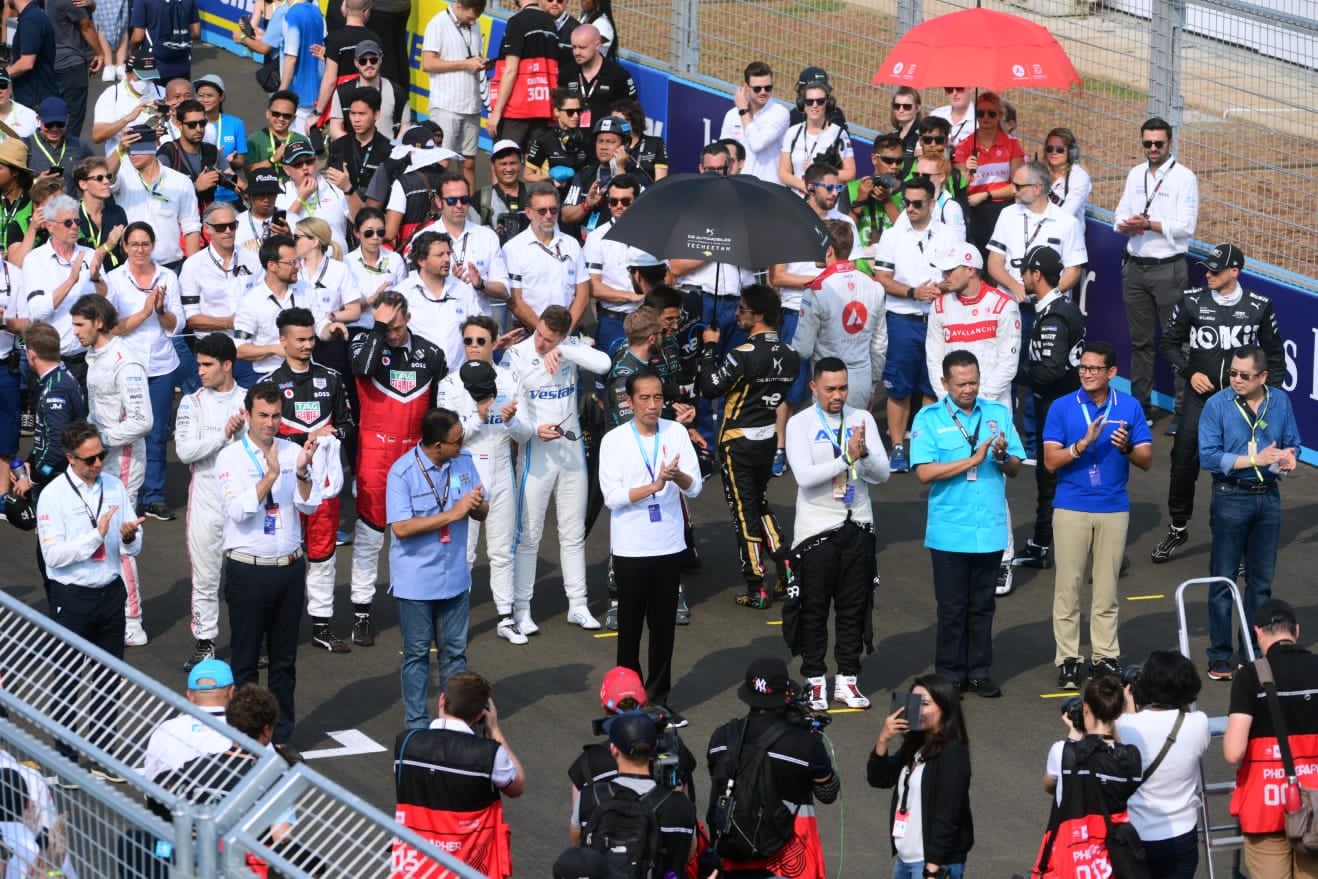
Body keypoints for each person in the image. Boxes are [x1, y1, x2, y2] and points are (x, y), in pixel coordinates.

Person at [1153, 244, 1286, 566]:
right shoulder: (1192, 301)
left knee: (1235, 471)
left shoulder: (1259, 306)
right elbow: (1169, 343)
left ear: (1234, 272)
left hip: (1240, 404)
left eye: (1215, 270)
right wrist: (1189, 372)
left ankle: (1234, 541)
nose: (1208, 275)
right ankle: (1178, 525)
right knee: (1183, 460)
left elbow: (1275, 356)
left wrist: (1266, 400)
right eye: (1206, 270)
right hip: (1201, 401)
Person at [911, 350, 1023, 697]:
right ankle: (949, 673)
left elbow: (1016, 465)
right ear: (945, 383)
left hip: (988, 529)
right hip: (949, 530)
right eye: (961, 384)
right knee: (952, 607)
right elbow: (924, 472)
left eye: (973, 382)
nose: (969, 389)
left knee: (983, 606)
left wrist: (1002, 457)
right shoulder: (928, 418)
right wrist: (971, 460)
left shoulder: (997, 414)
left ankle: (979, 671)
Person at [215, 383, 322, 744]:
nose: (270, 423)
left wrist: (303, 473)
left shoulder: (293, 452)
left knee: (284, 663)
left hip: (289, 568)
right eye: (263, 415)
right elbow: (238, 510)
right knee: (245, 661)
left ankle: (281, 736)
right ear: (247, 414)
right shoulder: (230, 458)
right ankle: (244, 739)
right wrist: (272, 475)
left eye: (276, 416)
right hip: (248, 569)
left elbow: (310, 505)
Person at [1042, 341, 1152, 689]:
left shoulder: (1130, 407)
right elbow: (1049, 461)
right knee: (1068, 588)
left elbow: (1146, 459)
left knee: (1107, 590)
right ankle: (1069, 659)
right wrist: (1081, 445)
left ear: (1111, 373)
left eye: (1094, 369)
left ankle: (1104, 656)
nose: (1087, 374)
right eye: (1083, 368)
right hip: (1071, 505)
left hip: (1113, 507)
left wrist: (1127, 448)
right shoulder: (1062, 407)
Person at [36, 420, 145, 771]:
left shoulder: (114, 487)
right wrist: (96, 537)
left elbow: (134, 546)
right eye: (90, 459)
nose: (99, 464)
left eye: (102, 455)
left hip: (110, 592)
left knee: (107, 679)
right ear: (71, 458)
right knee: (67, 679)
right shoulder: (53, 495)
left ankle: (102, 757)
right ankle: (65, 761)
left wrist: (127, 536)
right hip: (71, 596)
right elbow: (54, 556)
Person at [785, 358, 889, 710]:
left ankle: (847, 679)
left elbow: (882, 474)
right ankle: (814, 680)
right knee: (813, 609)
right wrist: (848, 456)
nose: (838, 395)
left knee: (854, 608)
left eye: (843, 388)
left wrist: (866, 453)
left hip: (858, 524)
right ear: (813, 387)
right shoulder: (800, 423)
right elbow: (804, 476)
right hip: (817, 530)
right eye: (830, 389)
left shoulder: (862, 419)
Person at [502, 304, 611, 632]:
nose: (541, 343)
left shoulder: (568, 347)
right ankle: (521, 609)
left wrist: (565, 351)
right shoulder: (518, 354)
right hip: (537, 451)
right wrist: (535, 431)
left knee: (573, 532)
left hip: (571, 449)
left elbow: (604, 364)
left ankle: (577, 605)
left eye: (549, 340)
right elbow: (512, 417)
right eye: (540, 335)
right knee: (529, 535)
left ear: (563, 335)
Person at [349, 291, 447, 647]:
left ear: (407, 316)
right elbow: (362, 368)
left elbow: (440, 404)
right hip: (375, 451)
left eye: (395, 324)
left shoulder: (431, 353)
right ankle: (361, 610)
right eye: (384, 325)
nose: (390, 332)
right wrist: (376, 326)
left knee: (418, 535)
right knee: (371, 535)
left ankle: (420, 608)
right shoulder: (364, 341)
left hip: (416, 455)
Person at [599, 370, 701, 710]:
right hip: (631, 548)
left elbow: (696, 486)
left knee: (664, 630)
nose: (653, 405)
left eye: (658, 397)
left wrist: (677, 477)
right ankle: (627, 699)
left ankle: (659, 700)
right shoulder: (614, 440)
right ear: (629, 402)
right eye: (644, 398)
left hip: (669, 545)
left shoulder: (676, 433)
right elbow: (612, 496)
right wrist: (654, 487)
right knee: (629, 630)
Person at [1199, 345, 1300, 681]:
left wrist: (1288, 459)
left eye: (1244, 375)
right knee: (1223, 581)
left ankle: (1254, 653)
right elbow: (1210, 457)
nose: (1236, 380)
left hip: (1268, 498)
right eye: (1232, 374)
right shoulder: (1217, 405)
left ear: (1263, 377)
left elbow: (1292, 443)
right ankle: (1219, 655)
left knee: (1260, 584)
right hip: (1231, 496)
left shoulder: (1280, 402)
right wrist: (1253, 460)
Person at [256, 308, 354, 653]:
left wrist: (328, 435)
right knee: (279, 556)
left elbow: (346, 424)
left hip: (322, 484)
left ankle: (321, 625)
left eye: (312, 338)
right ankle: (273, 632)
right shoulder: (267, 385)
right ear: (283, 341)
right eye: (301, 340)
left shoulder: (332, 378)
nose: (309, 345)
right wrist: (305, 438)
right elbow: (261, 434)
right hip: (282, 486)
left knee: (323, 555)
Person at [924, 245, 1021, 593]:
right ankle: (961, 554)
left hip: (993, 409)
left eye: (950, 270)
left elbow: (1008, 364)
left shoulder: (1003, 305)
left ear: (971, 269)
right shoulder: (938, 306)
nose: (944, 276)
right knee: (954, 482)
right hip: (953, 410)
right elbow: (934, 359)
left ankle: (1004, 560)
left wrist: (979, 403)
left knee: (993, 485)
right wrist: (949, 402)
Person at [386, 409, 488, 728]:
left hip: (455, 577)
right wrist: (453, 514)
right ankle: (417, 722)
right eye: (456, 440)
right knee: (417, 654)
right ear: (436, 445)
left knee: (455, 653)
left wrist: (479, 505)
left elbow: (480, 511)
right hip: (416, 582)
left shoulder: (462, 462)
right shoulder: (402, 473)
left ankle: (455, 720)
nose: (462, 444)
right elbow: (400, 527)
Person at [700, 284, 798, 608]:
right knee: (760, 504)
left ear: (757, 316)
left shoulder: (741, 354)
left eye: (741, 309)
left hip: (737, 441)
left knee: (744, 511)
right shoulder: (791, 354)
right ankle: (786, 569)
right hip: (767, 439)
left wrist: (710, 348)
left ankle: (757, 585)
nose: (736, 314)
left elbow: (710, 388)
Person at [706, 656, 839, 879]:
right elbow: (828, 793)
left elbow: (716, 774)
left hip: (732, 855)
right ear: (785, 697)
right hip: (787, 860)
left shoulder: (721, 737)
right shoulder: (805, 743)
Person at [434, 319, 524, 644]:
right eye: (468, 340)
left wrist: (514, 423)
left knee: (502, 549)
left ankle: (505, 616)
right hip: (465, 470)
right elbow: (445, 435)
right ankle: (454, 620)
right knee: (463, 551)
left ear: (493, 343)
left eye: (481, 340)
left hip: (501, 468)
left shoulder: (510, 379)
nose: (473, 345)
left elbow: (522, 430)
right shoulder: (449, 383)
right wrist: (478, 418)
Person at [73, 293, 152, 646]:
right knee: (99, 534)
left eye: (79, 325)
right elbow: (96, 413)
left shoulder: (125, 362)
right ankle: (110, 613)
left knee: (121, 539)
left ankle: (132, 621)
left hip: (122, 460)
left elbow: (143, 420)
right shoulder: (94, 358)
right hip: (99, 458)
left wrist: (100, 441)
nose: (74, 332)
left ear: (98, 323)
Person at [393, 671, 523, 877]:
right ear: (481, 714)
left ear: (442, 700)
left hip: (414, 867)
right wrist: (495, 730)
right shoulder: (488, 753)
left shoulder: (405, 743)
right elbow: (516, 786)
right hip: (467, 868)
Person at [1113, 116, 1199, 426]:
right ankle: (1141, 407)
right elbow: (1119, 213)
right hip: (1135, 267)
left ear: (1170, 143)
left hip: (1168, 269)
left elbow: (1186, 227)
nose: (1152, 148)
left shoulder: (1184, 178)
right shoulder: (1136, 174)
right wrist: (1127, 225)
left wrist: (1149, 224)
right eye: (1147, 143)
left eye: (1158, 144)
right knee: (1140, 343)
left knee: (1177, 342)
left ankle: (1182, 411)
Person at [1223, 599, 1318, 878]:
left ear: (1258, 633)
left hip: (1265, 806)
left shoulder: (1250, 677)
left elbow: (1233, 751)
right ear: (1296, 631)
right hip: (1315, 807)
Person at [873, 176, 961, 473]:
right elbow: (883, 279)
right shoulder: (892, 235)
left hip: (938, 319)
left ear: (932, 203)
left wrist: (942, 288)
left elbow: (960, 275)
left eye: (916, 203)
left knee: (932, 384)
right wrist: (913, 292)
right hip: (902, 319)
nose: (909, 208)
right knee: (898, 387)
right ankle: (897, 446)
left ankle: (923, 445)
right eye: (905, 203)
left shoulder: (950, 235)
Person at [174, 333, 246, 669]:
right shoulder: (191, 402)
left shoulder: (249, 401)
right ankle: (205, 642)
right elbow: (185, 451)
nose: (200, 371)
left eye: (207, 364)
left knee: (245, 577)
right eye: (198, 364)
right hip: (204, 496)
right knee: (205, 575)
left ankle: (250, 637)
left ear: (227, 365)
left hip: (244, 498)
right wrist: (223, 436)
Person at [103, 222, 183, 522]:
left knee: (158, 433)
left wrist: (160, 311)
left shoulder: (168, 277)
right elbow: (113, 327)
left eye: (145, 244)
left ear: (153, 245)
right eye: (133, 244)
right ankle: (124, 493)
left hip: (162, 364)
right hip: (126, 367)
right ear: (124, 247)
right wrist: (145, 312)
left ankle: (153, 495)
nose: (139, 250)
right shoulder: (114, 279)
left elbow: (178, 325)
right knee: (125, 431)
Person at [1016, 245, 1086, 571]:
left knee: (1051, 478)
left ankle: (1043, 545)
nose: (1021, 275)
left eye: (1025, 270)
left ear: (1037, 274)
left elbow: (1050, 369)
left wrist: (1017, 375)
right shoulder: (1063, 308)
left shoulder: (1054, 316)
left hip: (1056, 408)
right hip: (1070, 406)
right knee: (1068, 477)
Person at [1034, 676, 1143, 879]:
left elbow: (1051, 786)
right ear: (1118, 713)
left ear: (1085, 709)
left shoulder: (1063, 752)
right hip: (1111, 857)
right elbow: (1114, 747)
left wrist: (1075, 731)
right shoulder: (1131, 757)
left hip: (1073, 856)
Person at [1115, 650, 1211, 879]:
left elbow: (1121, 746)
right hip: (1182, 835)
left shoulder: (1124, 725)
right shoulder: (1199, 723)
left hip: (1137, 835)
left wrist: (1129, 708)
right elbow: (1183, 717)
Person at [868, 673, 974, 878]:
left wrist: (932, 868)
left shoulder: (952, 752)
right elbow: (879, 779)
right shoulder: (915, 744)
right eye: (914, 702)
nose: (917, 709)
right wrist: (883, 739)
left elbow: (949, 812)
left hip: (931, 864)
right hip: (905, 860)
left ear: (945, 707)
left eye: (925, 703)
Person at [572, 710, 699, 874]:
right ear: (654, 747)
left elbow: (578, 842)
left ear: (613, 749)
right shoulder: (680, 804)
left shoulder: (589, 796)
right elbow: (688, 853)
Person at [793, 220, 887, 411]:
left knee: (829, 441)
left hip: (828, 384)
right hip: (862, 380)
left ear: (828, 250)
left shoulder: (817, 289)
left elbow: (802, 349)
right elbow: (879, 345)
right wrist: (872, 385)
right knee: (857, 438)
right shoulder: (874, 286)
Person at [24, 193, 108, 383]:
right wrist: (71, 280)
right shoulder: (35, 260)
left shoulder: (90, 255)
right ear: (50, 225)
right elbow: (36, 311)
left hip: (89, 359)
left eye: (77, 221)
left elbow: (110, 304)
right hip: (50, 361)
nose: (75, 227)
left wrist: (97, 280)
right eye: (68, 223)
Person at [180, 203, 261, 388]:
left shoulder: (253, 259)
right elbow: (190, 318)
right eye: (220, 227)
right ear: (207, 229)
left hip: (248, 349)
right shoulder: (193, 266)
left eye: (232, 225)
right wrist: (228, 322)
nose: (228, 231)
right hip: (211, 353)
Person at [105, 124, 201, 271]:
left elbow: (191, 228)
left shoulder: (180, 182)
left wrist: (193, 272)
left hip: (171, 267)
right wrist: (120, 149)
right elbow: (105, 177)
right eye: (130, 149)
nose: (133, 154)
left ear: (155, 144)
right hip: (130, 267)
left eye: (139, 147)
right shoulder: (122, 176)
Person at [503, 181, 588, 329]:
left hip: (567, 330)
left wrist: (565, 333)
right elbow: (514, 300)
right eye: (542, 211)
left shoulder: (572, 244)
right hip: (529, 331)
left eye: (553, 210)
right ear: (529, 213)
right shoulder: (513, 248)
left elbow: (583, 294)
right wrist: (545, 334)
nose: (548, 216)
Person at [420, 0, 486, 189]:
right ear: (458, 6)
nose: (474, 22)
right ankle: (436, 209)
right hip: (446, 105)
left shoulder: (476, 23)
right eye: (471, 18)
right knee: (442, 162)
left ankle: (471, 210)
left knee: (469, 163)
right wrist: (464, 64)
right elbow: (428, 63)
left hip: (472, 105)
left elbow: (472, 56)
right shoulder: (437, 23)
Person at [953, 91, 1023, 254]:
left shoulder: (1012, 144)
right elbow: (959, 186)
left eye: (991, 114)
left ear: (999, 116)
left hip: (1002, 207)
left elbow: (1017, 186)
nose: (985, 118)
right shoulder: (965, 145)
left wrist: (986, 195)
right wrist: (968, 172)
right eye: (980, 113)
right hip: (972, 208)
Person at [142, 658, 234, 781]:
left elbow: (150, 781)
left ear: (190, 695)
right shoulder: (249, 731)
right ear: (231, 692)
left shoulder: (167, 729)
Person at [22, 322, 87, 494]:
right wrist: (31, 460)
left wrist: (33, 478)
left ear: (31, 354)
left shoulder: (55, 389)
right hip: (60, 471)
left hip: (58, 477)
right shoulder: (60, 376)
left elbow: (58, 444)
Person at [234, 235, 310, 378]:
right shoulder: (251, 301)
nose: (298, 266)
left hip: (305, 371)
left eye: (298, 260)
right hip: (268, 374)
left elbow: (321, 325)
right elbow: (240, 349)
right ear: (272, 266)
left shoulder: (307, 290)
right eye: (292, 262)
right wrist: (275, 349)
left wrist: (330, 329)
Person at [487, 0, 559, 147]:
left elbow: (511, 70)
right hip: (542, 106)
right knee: (533, 165)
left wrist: (497, 112)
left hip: (516, 108)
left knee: (504, 161)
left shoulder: (517, 21)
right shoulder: (551, 24)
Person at [719, 61, 790, 185]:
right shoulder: (731, 115)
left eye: (768, 88)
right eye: (757, 89)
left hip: (769, 188)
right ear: (746, 87)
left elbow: (758, 144)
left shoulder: (780, 113)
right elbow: (724, 152)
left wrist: (743, 111)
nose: (763, 92)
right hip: (738, 186)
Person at [778, 81, 854, 193]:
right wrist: (803, 185)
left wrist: (821, 172)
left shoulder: (839, 134)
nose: (814, 105)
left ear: (828, 104)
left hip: (828, 204)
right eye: (809, 101)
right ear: (802, 104)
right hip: (798, 202)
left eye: (820, 101)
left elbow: (850, 173)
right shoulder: (792, 132)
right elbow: (783, 172)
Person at [91, 47, 166, 157]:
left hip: (157, 155)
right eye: (141, 77)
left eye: (150, 77)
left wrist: (161, 117)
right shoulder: (111, 95)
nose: (146, 82)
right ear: (127, 73)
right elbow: (97, 136)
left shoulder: (162, 92)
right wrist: (127, 119)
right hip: (123, 159)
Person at [156, 98, 226, 209]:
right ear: (179, 124)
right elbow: (157, 191)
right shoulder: (168, 152)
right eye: (192, 125)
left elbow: (231, 177)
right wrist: (195, 187)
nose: (199, 129)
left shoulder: (211, 150)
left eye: (202, 123)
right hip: (177, 217)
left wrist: (243, 187)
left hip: (207, 218)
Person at [523, 88, 588, 194]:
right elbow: (527, 175)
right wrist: (550, 178)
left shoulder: (584, 139)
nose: (576, 116)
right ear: (557, 112)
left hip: (577, 197)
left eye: (579, 111)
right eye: (570, 112)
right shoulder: (544, 140)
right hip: (553, 196)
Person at [194, 75, 246, 206]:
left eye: (209, 95)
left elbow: (240, 162)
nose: (204, 100)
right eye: (200, 95)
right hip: (203, 195)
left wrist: (226, 161)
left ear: (221, 97)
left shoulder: (236, 123)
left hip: (229, 195)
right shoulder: (192, 125)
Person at [244, 91, 313, 183]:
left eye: (287, 116)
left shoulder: (301, 140)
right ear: (268, 114)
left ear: (293, 119)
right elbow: (249, 172)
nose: (281, 118)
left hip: (294, 194)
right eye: (276, 114)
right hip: (265, 194)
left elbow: (310, 170)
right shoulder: (254, 140)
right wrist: (272, 160)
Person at [25, 97, 93, 185]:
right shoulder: (25, 145)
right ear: (38, 119)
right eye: (49, 124)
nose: (54, 129)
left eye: (60, 124)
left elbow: (98, 173)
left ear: (67, 119)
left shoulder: (79, 146)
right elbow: (12, 185)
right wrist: (36, 182)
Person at [8, 0, 59, 110]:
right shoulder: (30, 16)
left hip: (36, 100)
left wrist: (4, 74)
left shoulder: (31, 19)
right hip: (36, 97)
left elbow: (26, 63)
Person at [1042, 128, 1090, 223]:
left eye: (1059, 149)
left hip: (1066, 234)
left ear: (1072, 152)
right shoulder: (1039, 172)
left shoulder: (1078, 176)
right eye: (1049, 148)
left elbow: (1066, 213)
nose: (1053, 152)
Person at [929, 86, 974, 150]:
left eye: (959, 88)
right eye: (949, 89)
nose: (954, 93)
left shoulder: (982, 119)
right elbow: (919, 148)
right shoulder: (936, 114)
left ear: (971, 88)